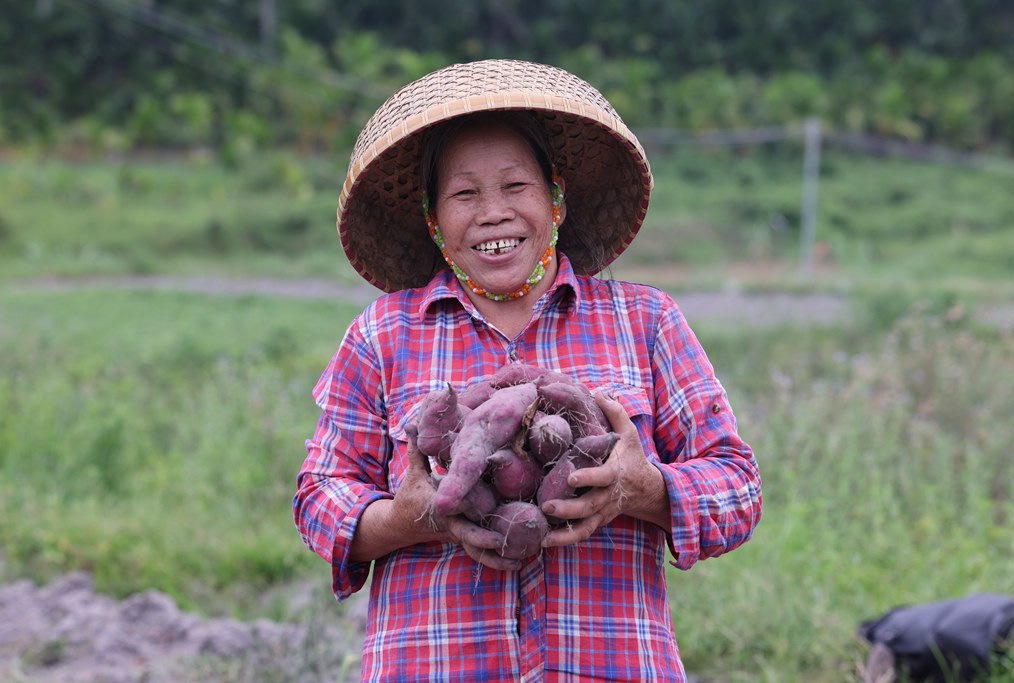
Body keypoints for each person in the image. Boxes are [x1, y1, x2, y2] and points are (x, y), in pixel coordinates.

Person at [293, 59, 763, 682]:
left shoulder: (645, 321)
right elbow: (318, 499)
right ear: (434, 221)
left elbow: (739, 487)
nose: (493, 214)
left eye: (515, 187)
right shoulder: (384, 334)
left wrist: (642, 488)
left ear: (556, 198)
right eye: (464, 194)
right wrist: (405, 520)